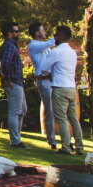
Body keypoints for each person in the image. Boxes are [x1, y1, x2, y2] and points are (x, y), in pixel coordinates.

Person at [39, 25, 84, 155]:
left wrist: (47, 73)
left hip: (60, 87)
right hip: (71, 88)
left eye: (56, 35)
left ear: (62, 36)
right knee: (73, 118)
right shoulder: (72, 52)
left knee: (61, 118)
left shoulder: (56, 51)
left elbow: (44, 68)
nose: (55, 37)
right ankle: (79, 146)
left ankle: (66, 146)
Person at [0, 21, 27, 148]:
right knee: (15, 111)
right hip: (14, 82)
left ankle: (17, 138)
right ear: (9, 33)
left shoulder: (11, 46)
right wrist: (7, 79)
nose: (18, 33)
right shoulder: (9, 46)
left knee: (22, 110)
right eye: (16, 31)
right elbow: (5, 63)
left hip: (17, 82)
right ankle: (15, 140)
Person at [27, 21, 57, 150]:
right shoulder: (34, 45)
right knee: (49, 110)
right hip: (43, 80)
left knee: (56, 110)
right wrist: (59, 37)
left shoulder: (44, 47)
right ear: (37, 33)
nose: (45, 32)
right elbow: (49, 42)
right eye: (43, 30)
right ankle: (52, 140)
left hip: (52, 80)